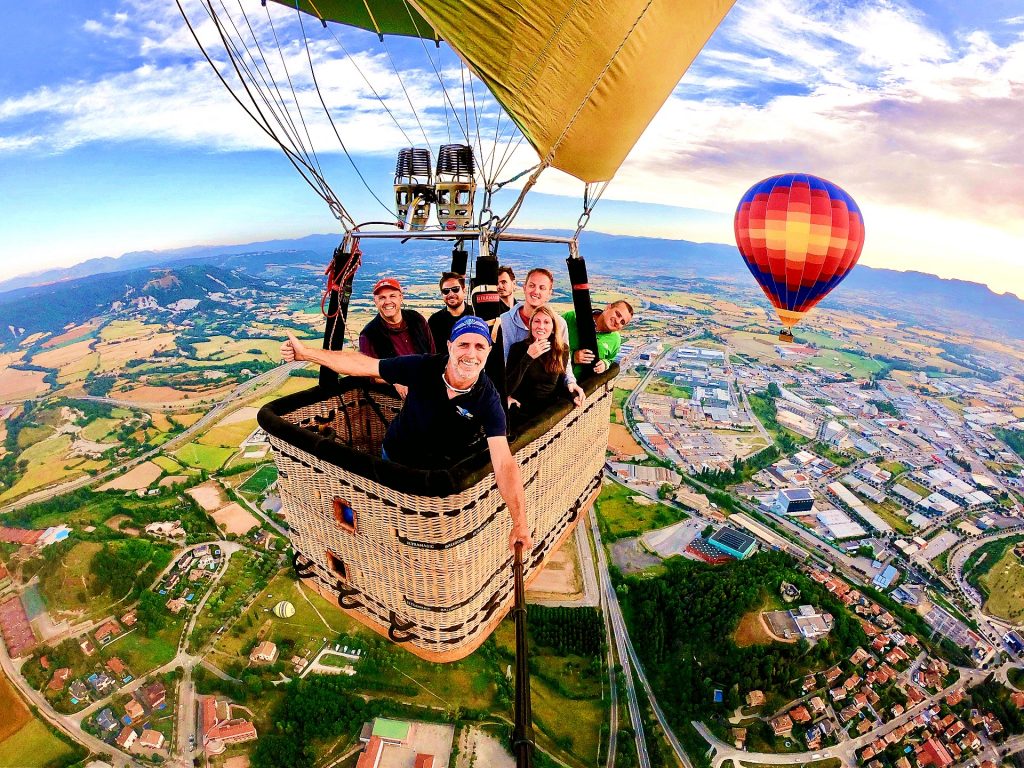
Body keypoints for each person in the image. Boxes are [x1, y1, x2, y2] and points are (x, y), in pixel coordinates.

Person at [281, 316, 532, 552]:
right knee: (386, 521)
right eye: (463, 344)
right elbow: (364, 365)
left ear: (488, 352)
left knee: (422, 531)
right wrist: (307, 354)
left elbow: (503, 462)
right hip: (396, 456)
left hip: (434, 471)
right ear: (449, 346)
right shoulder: (422, 367)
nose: (471, 353)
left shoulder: (488, 399)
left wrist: (519, 522)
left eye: (479, 346)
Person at [494, 267, 585, 404]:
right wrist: (503, 395)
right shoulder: (504, 322)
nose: (536, 291)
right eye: (532, 286)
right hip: (513, 395)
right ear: (524, 288)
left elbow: (562, 360)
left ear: (549, 293)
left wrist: (571, 382)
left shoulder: (559, 324)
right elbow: (498, 364)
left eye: (542, 288)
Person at [505, 306, 582, 430]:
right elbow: (507, 388)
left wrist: (573, 395)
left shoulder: (562, 350)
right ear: (531, 325)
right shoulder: (518, 349)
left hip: (547, 415)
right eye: (537, 321)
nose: (541, 326)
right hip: (520, 413)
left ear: (553, 328)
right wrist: (528, 357)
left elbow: (560, 384)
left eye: (546, 322)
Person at [358, 277, 435, 359]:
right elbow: (368, 368)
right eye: (382, 298)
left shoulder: (416, 319)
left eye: (392, 296)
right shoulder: (369, 335)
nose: (387, 302)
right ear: (375, 302)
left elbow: (432, 353)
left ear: (401, 298)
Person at [564, 299, 634, 380]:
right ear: (608, 307)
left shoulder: (615, 339)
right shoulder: (572, 317)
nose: (618, 321)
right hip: (554, 377)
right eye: (617, 314)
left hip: (582, 387)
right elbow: (548, 342)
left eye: (622, 322)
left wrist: (605, 364)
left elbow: (610, 359)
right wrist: (572, 356)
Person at [427, 272, 474, 352]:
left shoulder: (475, 315)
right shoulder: (435, 321)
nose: (451, 294)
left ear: (463, 290)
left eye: (455, 289)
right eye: (446, 291)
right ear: (442, 294)